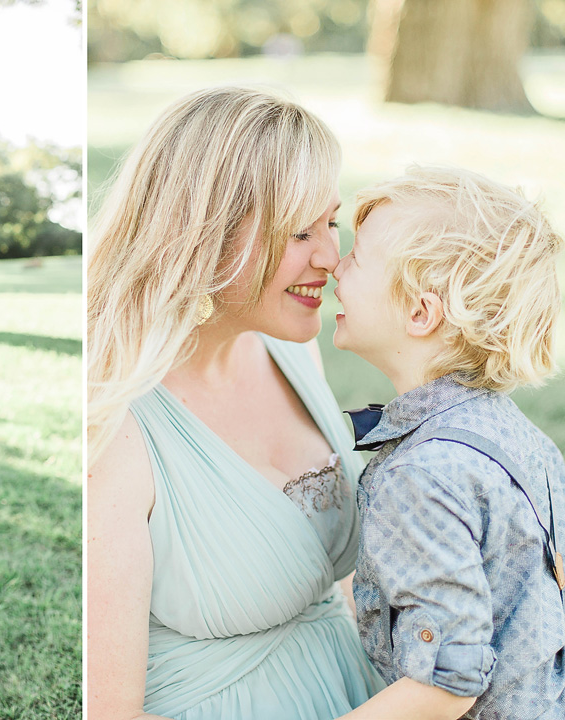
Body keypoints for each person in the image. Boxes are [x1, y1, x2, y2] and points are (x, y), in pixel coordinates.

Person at [87, 86, 385, 720]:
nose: (330, 258)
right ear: (205, 232)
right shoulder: (113, 428)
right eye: (298, 231)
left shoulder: (293, 352)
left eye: (328, 223)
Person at [331, 166, 565, 720]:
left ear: (420, 312)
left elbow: (445, 686)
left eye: (355, 258)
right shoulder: (515, 433)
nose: (334, 268)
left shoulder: (421, 474)